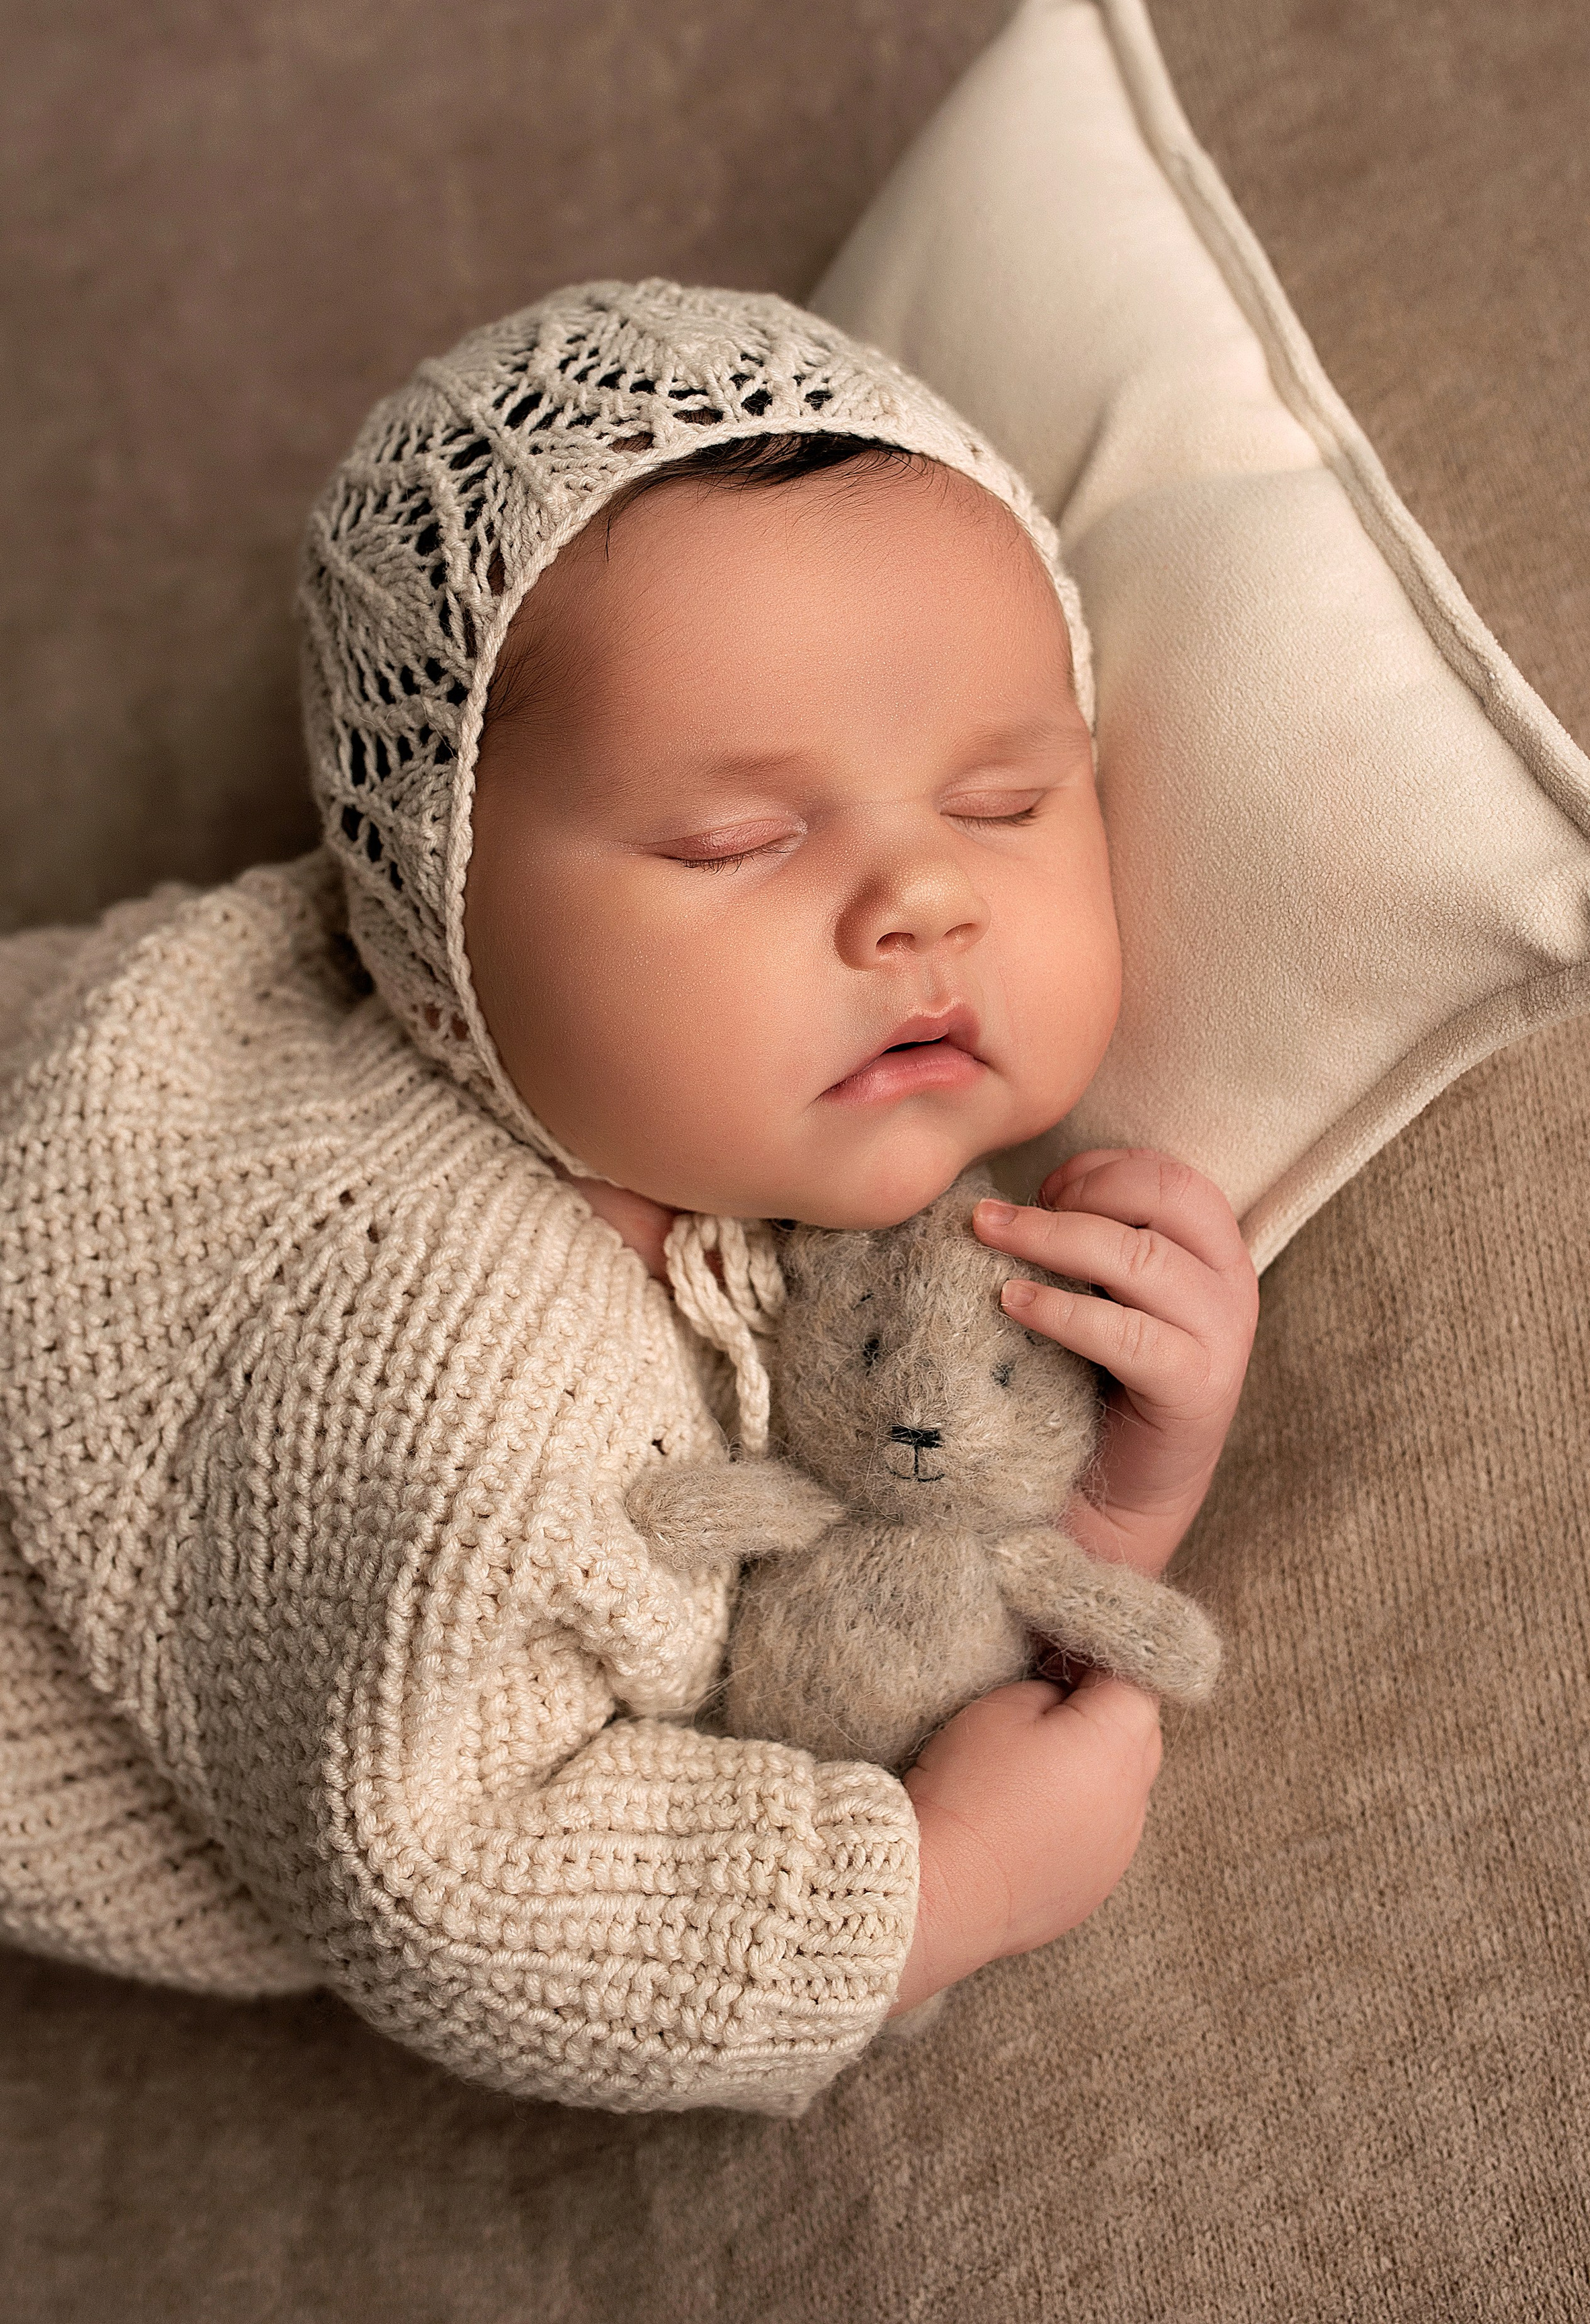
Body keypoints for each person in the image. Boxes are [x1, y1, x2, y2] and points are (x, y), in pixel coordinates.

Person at [0, 280, 1257, 2114]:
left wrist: (1117, 1485)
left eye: (1002, 800)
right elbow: (449, 1882)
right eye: (736, 840)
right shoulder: (475, 1393)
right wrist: (936, 1890)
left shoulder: (753, 1159)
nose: (920, 899)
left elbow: (884, 1564)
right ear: (431, 919)